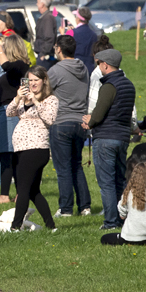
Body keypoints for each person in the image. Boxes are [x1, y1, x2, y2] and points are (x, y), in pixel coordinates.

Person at [83, 49, 135, 231]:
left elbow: (99, 113)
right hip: (122, 138)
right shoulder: (129, 85)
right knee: (120, 180)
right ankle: (123, 218)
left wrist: (90, 122)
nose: (98, 67)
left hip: (105, 138)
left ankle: (111, 222)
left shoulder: (109, 86)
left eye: (99, 64)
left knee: (106, 183)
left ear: (105, 64)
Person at [5, 67, 59, 231]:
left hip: (36, 148)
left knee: (23, 190)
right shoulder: (23, 99)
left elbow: (50, 119)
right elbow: (9, 112)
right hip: (20, 149)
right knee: (33, 190)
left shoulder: (51, 100)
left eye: (36, 80)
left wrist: (35, 101)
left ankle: (15, 227)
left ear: (44, 81)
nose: (33, 83)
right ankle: (51, 226)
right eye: (30, 80)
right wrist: (17, 97)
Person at [46, 35, 91, 216]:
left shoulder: (56, 70)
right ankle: (85, 206)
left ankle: (66, 209)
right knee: (76, 165)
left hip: (61, 122)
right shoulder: (84, 68)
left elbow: (44, 92)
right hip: (80, 122)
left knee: (63, 168)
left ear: (58, 49)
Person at [0, 33, 29, 203]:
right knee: (8, 153)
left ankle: (7, 194)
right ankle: (12, 193)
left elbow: (5, 66)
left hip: (10, 112)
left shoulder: (19, 65)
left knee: (9, 153)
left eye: (5, 47)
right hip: (4, 111)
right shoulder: (18, 68)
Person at [100, 162, 146, 246]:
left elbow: (122, 214)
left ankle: (132, 243)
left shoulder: (129, 193)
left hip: (130, 237)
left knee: (104, 238)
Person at [33, 0, 60, 64]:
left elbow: (49, 37)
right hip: (42, 55)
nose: (36, 4)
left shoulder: (48, 18)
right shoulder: (44, 17)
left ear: (42, 4)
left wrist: (43, 53)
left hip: (45, 58)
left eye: (38, 2)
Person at [72, 7, 98, 75]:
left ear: (78, 18)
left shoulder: (72, 32)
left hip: (75, 68)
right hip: (89, 69)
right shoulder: (93, 34)